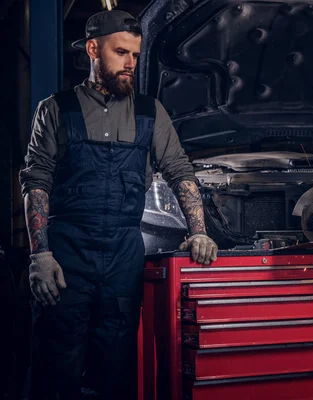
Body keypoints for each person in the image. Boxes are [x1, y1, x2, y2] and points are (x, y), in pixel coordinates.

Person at [19, 10, 218, 400]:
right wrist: (39, 255)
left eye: (135, 55)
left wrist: (199, 231)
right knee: (57, 363)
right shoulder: (55, 109)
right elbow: (36, 180)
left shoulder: (150, 112)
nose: (131, 64)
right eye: (121, 53)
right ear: (93, 49)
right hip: (66, 256)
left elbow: (180, 171)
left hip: (124, 254)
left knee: (117, 364)